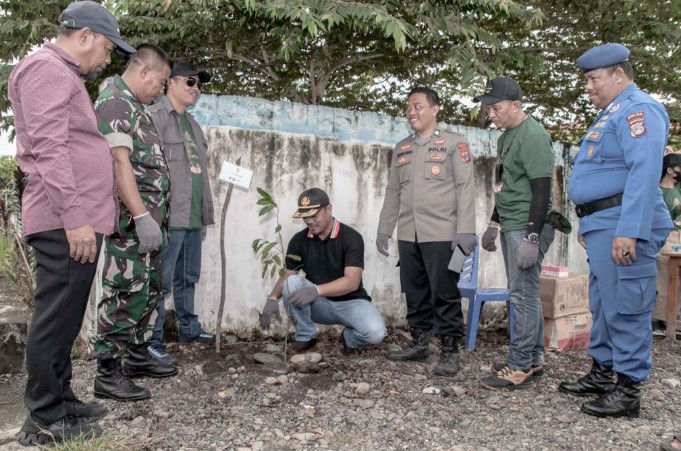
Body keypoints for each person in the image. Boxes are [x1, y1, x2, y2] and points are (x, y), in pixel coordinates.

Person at [7, 1, 135, 445]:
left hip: (74, 217)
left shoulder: (63, 74)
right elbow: (49, 148)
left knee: (65, 317)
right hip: (65, 218)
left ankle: (60, 399)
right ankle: (42, 419)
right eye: (106, 48)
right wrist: (76, 217)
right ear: (84, 36)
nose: (106, 59)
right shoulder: (45, 69)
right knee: (54, 318)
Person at [559, 43, 672, 418]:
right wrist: (587, 222)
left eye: (594, 79)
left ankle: (628, 390)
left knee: (626, 305)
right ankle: (603, 372)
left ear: (618, 75)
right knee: (604, 304)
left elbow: (643, 172)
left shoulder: (639, 109)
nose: (588, 87)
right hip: (603, 222)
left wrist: (630, 231)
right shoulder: (611, 113)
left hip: (625, 221)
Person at [89, 44, 176, 402]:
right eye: (162, 81)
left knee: (150, 289)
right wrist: (141, 217)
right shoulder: (115, 101)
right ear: (144, 72)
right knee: (125, 291)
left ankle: (138, 355)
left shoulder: (136, 106)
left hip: (149, 223)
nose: (162, 89)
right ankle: (107, 372)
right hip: (130, 223)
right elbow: (118, 163)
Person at [376, 86, 476, 376]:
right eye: (408, 107)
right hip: (409, 232)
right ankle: (419, 343)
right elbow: (393, 190)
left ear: (435, 109)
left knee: (444, 293)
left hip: (442, 231)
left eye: (418, 106)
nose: (411, 112)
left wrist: (466, 231)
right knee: (415, 291)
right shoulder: (402, 148)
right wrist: (385, 228)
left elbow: (464, 189)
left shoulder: (454, 144)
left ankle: (449, 350)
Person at [473, 77, 556, 390]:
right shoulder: (506, 137)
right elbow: (505, 184)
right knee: (527, 292)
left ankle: (519, 365)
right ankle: (533, 358)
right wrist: (494, 223)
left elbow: (541, 191)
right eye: (489, 108)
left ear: (516, 105)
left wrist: (532, 238)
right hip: (512, 223)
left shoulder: (533, 136)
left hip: (527, 224)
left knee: (520, 294)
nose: (491, 113)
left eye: (496, 107)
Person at [259, 188, 387, 354]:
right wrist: (272, 298)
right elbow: (288, 274)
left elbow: (352, 281)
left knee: (376, 333)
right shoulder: (299, 241)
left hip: (350, 302)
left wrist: (316, 290)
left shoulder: (351, 238)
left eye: (314, 215)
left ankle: (350, 337)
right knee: (291, 282)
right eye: (305, 216)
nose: (309, 221)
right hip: (317, 304)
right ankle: (306, 336)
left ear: (329, 209)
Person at [147, 61, 216, 364]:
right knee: (160, 282)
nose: (196, 88)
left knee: (188, 278)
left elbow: (199, 173)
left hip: (193, 217)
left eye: (199, 84)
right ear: (170, 82)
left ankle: (189, 328)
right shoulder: (156, 117)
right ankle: (152, 341)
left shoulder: (194, 125)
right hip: (168, 216)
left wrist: (205, 213)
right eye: (190, 82)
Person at [654, 152, 681, 334]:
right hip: (666, 237)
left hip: (679, 237)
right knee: (664, 279)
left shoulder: (678, 190)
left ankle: (673, 317)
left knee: (677, 281)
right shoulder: (658, 192)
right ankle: (659, 319)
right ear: (670, 170)